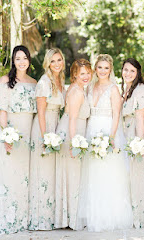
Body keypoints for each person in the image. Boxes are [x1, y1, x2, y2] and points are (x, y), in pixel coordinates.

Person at [77, 54, 133, 232]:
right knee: (93, 173)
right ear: (95, 69)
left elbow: (116, 114)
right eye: (99, 67)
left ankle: (110, 216)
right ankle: (94, 215)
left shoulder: (114, 89)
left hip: (108, 130)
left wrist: (111, 137)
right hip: (92, 129)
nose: (102, 71)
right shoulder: (90, 86)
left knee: (109, 173)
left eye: (106, 68)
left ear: (110, 70)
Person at [0, 45, 37, 235]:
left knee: (24, 176)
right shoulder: (5, 81)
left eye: (24, 57)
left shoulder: (34, 83)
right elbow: (2, 111)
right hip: (9, 129)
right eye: (18, 58)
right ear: (13, 60)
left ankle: (23, 217)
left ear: (29, 60)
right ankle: (8, 217)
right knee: (9, 175)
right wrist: (7, 135)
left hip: (27, 132)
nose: (21, 61)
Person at [29, 48, 66, 230]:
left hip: (56, 124)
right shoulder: (44, 82)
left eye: (59, 60)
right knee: (43, 173)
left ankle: (52, 216)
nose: (57, 64)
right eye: (53, 61)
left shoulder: (60, 80)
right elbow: (41, 113)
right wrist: (45, 138)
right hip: (44, 128)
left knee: (52, 174)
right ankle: (40, 218)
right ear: (47, 63)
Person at [55, 59, 92, 230]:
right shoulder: (77, 92)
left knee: (72, 176)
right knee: (73, 176)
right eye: (82, 73)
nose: (86, 76)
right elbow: (72, 120)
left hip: (72, 130)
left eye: (88, 72)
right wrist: (73, 143)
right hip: (72, 132)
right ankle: (71, 218)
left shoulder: (76, 88)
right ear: (75, 74)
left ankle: (68, 216)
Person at [122, 58, 144, 228]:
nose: (128, 74)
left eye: (132, 71)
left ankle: (142, 216)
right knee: (130, 175)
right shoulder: (126, 89)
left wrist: (140, 143)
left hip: (137, 134)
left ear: (138, 73)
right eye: (125, 70)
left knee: (139, 173)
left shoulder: (140, 90)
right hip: (128, 134)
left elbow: (140, 118)